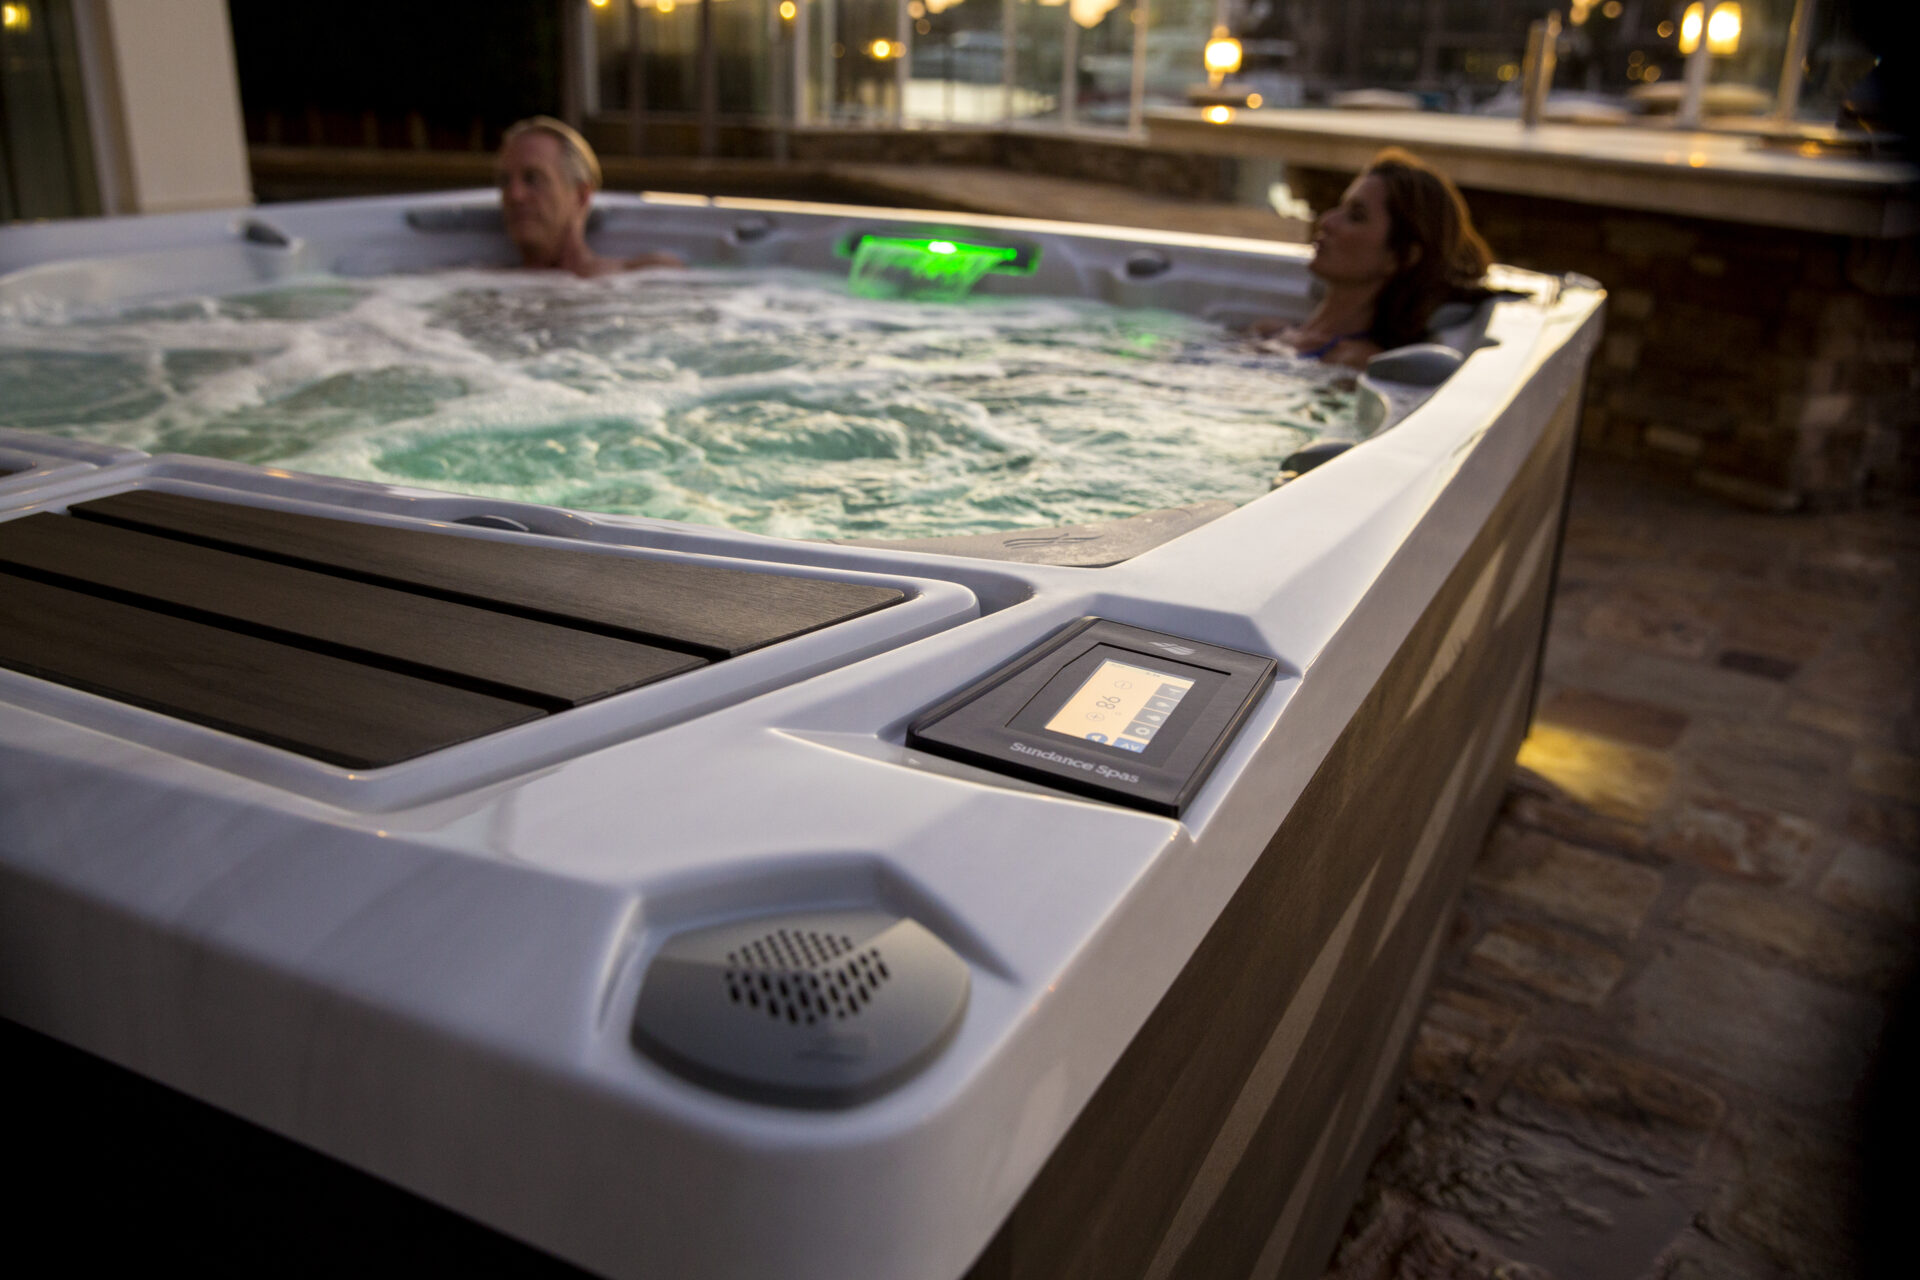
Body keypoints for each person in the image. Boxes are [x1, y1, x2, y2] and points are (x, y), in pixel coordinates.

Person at [1253, 148, 1492, 370]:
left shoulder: (1355, 364)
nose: (1326, 221)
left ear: (1401, 256)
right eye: (1340, 207)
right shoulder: (1270, 330)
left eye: (1356, 216)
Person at [495, 116, 684, 276]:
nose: (515, 195)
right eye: (505, 181)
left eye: (532, 179)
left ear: (581, 195)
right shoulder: (485, 280)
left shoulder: (646, 274)